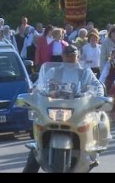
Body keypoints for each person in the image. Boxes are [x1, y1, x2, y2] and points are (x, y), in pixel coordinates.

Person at [23, 44, 105, 172]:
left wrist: (99, 97)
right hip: (54, 109)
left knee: (91, 122)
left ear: (78, 56)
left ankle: (89, 155)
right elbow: (39, 84)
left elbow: (97, 85)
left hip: (76, 109)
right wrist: (34, 92)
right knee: (37, 141)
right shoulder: (54, 71)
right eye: (67, 55)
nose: (70, 58)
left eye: (73, 56)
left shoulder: (84, 72)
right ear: (62, 56)